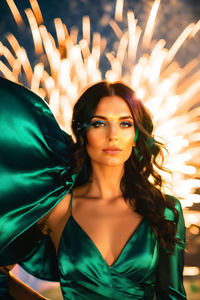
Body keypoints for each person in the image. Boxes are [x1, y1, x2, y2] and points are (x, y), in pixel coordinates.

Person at [0, 76, 186, 299]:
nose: (112, 136)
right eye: (99, 123)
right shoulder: (58, 208)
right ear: (83, 133)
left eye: (125, 124)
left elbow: (173, 296)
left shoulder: (164, 210)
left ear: (136, 135)